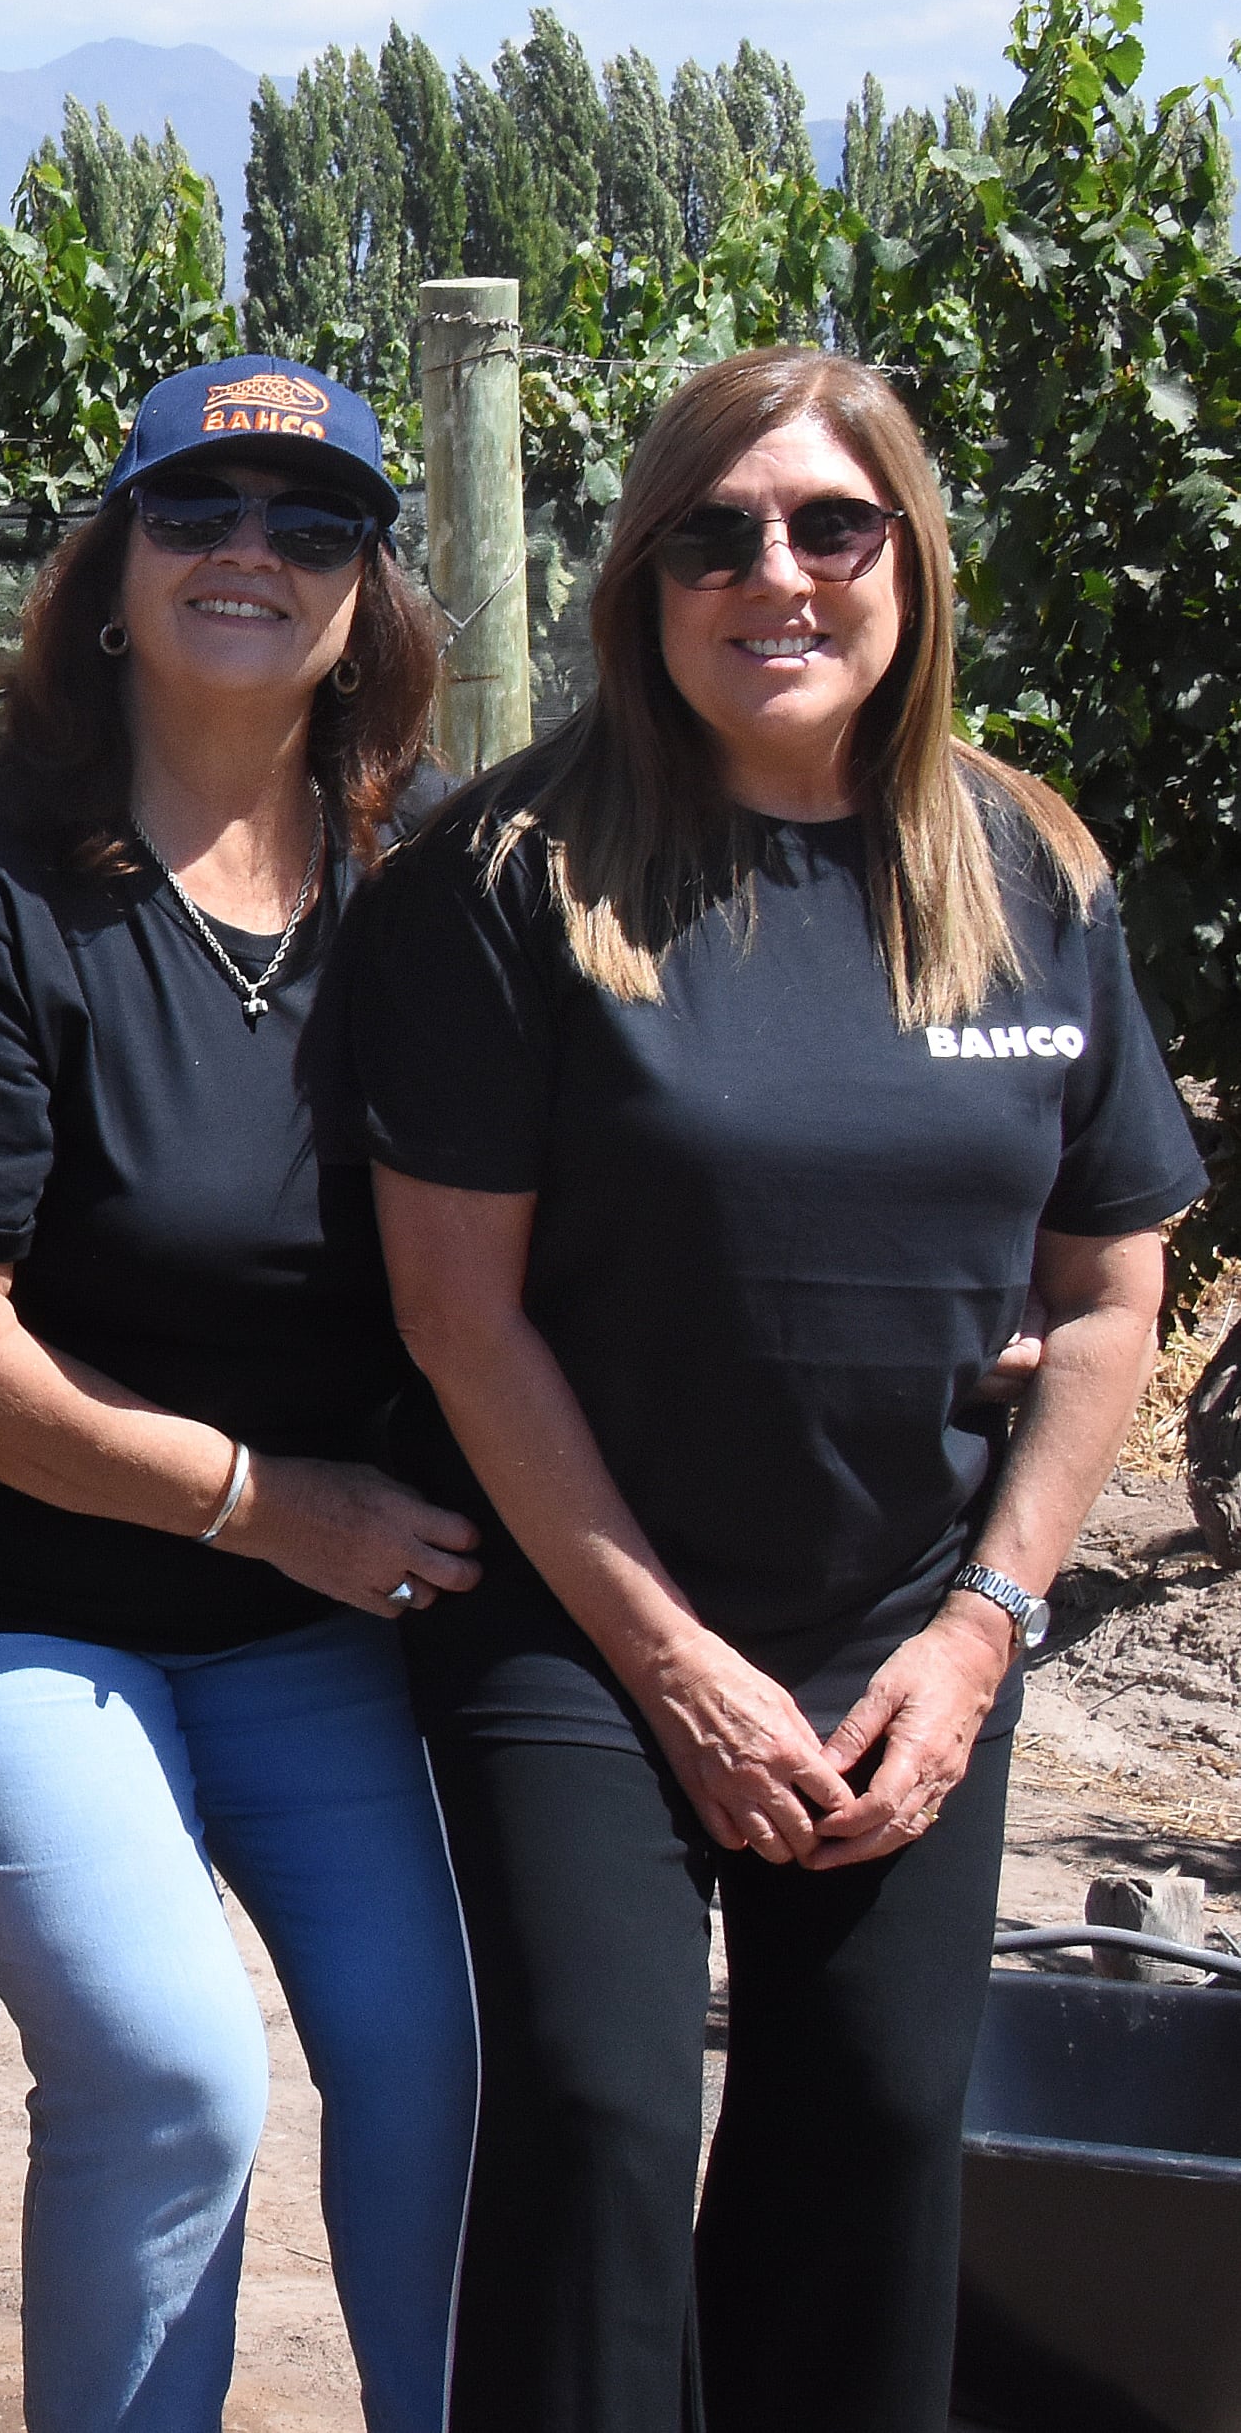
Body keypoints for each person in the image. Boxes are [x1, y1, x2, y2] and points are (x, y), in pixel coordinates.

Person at [349, 345, 1205, 2433]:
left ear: (907, 563)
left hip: (901, 1619)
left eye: (833, 526)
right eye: (715, 537)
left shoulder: (1031, 875)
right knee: (602, 2118)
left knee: (886, 2122)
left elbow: (1108, 1297)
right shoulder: (511, 879)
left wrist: (981, 1632)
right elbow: (464, 1318)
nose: (777, 575)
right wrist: (678, 1670)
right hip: (576, 1619)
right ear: (644, 583)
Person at [0, 355, 479, 2433]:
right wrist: (259, 1500)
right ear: (110, 572)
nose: (251, 555)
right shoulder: (0, 888)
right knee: (176, 2063)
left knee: (436, 2052)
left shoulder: (431, 891)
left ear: (370, 592)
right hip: (16, 1606)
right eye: (197, 510)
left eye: (312, 524)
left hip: (309, 1629)